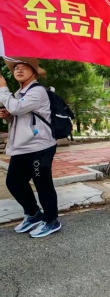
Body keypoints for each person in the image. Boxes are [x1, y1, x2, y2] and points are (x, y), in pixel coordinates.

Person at [0, 57, 61, 238]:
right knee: (14, 182)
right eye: (16, 68)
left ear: (34, 72)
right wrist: (8, 116)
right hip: (23, 147)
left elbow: (17, 108)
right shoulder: (19, 93)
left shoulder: (38, 91)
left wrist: (2, 88)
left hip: (39, 147)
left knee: (43, 185)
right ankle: (33, 214)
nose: (18, 70)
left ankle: (51, 220)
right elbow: (19, 114)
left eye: (24, 67)